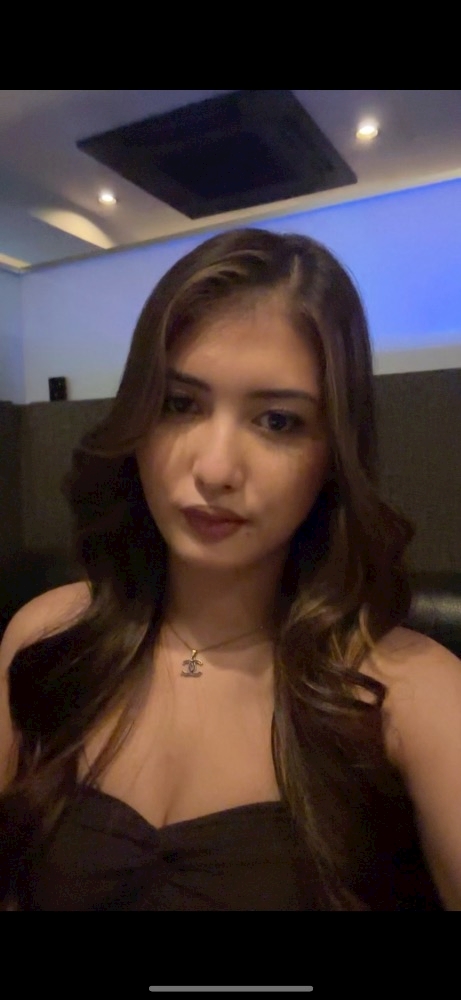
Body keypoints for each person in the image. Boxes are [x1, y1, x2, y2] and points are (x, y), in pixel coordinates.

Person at [0, 227, 460, 911]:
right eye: (180, 404)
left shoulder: (414, 698)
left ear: (333, 453)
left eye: (276, 421)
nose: (215, 469)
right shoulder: (49, 637)